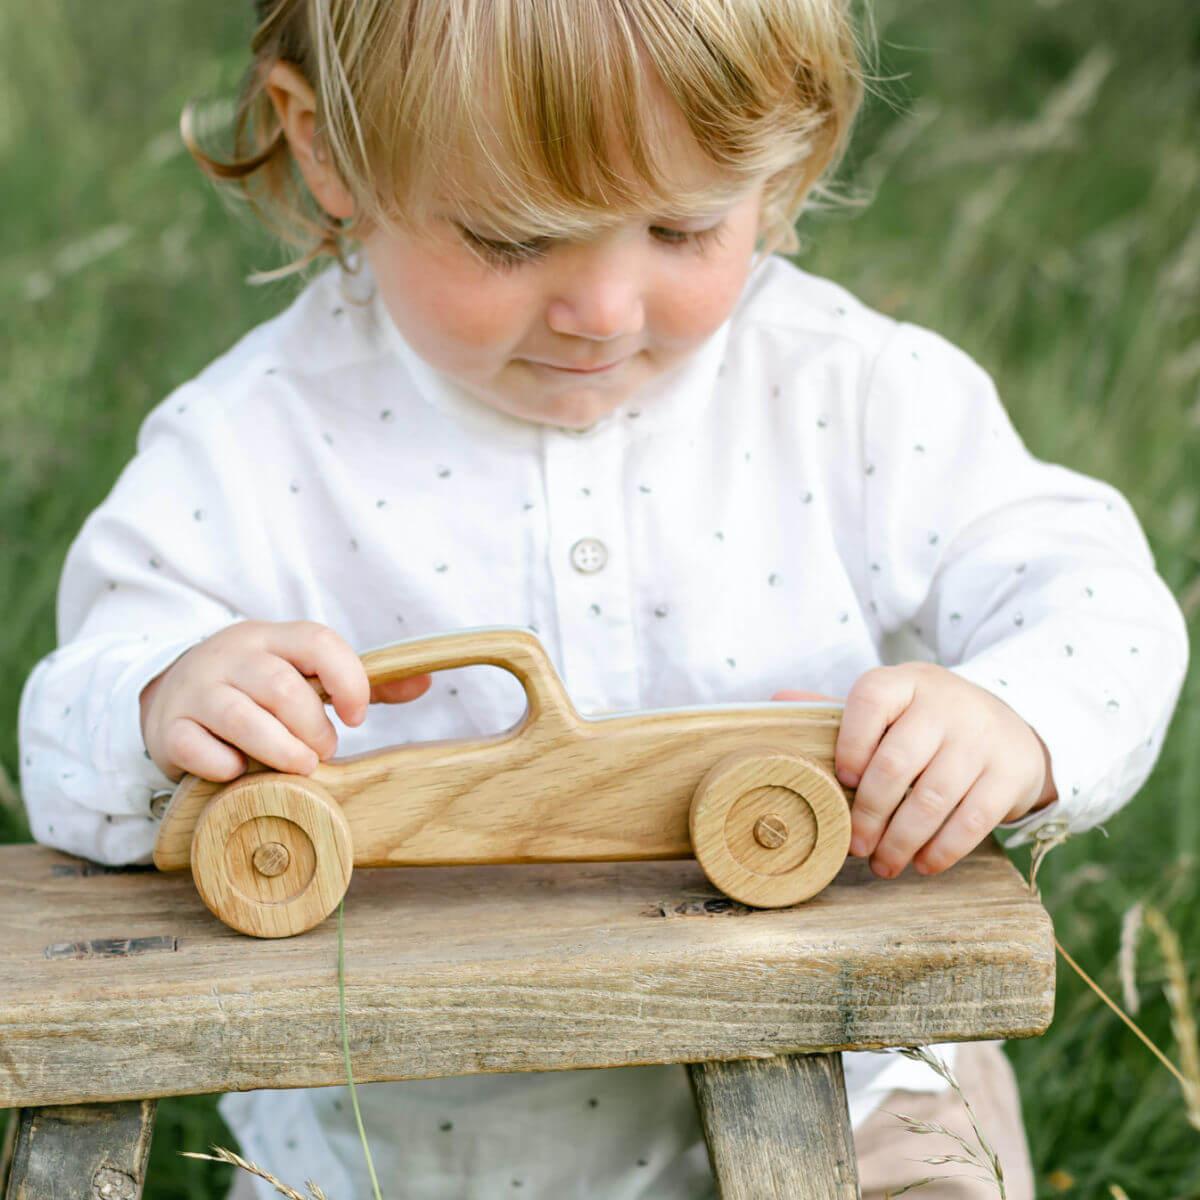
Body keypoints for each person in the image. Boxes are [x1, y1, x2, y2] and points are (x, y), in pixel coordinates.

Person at [17, 1, 1188, 1197]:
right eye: (513, 241)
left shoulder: (850, 391)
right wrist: (165, 698)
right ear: (326, 151)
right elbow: (70, 734)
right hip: (409, 1154)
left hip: (860, 1092)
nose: (605, 311)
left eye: (683, 228)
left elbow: (1094, 593)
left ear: (781, 163)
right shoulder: (248, 448)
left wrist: (1013, 718)